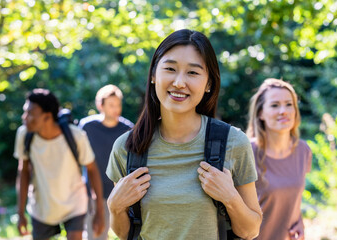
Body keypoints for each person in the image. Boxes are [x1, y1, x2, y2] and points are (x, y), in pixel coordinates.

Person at [105, 29, 263, 240]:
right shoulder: (127, 147)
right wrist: (114, 207)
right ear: (153, 75)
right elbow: (126, 233)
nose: (179, 82)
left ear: (208, 83)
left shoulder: (233, 142)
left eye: (193, 72)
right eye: (170, 69)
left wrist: (230, 197)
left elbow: (250, 230)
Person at [14, 88, 105, 240]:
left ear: (47, 117)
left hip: (74, 205)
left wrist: (99, 212)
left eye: (30, 114)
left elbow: (92, 170)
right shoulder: (24, 135)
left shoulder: (75, 136)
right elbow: (23, 172)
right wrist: (20, 212)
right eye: (25, 112)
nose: (24, 117)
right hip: (42, 207)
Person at [246, 79, 312, 240]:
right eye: (275, 105)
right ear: (261, 113)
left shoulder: (303, 150)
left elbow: (292, 196)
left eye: (289, 104)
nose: (283, 111)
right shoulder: (245, 152)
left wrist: (300, 221)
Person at [79, 84, 133, 240]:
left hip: (121, 193)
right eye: (111, 105)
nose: (116, 109)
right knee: (95, 236)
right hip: (94, 194)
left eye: (118, 104)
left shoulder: (128, 129)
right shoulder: (87, 127)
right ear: (100, 105)